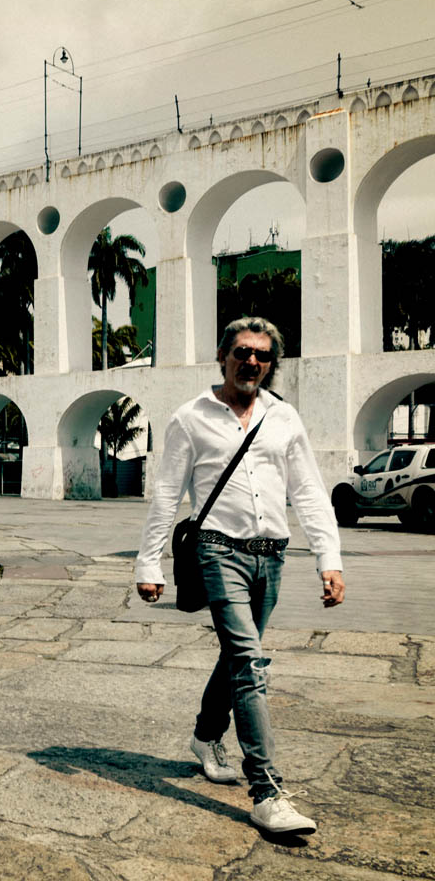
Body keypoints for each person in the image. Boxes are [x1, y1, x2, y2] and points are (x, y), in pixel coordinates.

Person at [135, 316, 345, 835]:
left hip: (271, 556)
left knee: (236, 656)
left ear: (271, 364)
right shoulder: (191, 417)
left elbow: (310, 492)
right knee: (250, 665)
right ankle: (267, 791)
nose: (252, 362)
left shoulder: (284, 417)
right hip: (216, 551)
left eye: (263, 355)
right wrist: (149, 560)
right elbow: (166, 492)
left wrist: (330, 559)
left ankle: (206, 735)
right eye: (243, 352)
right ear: (223, 357)